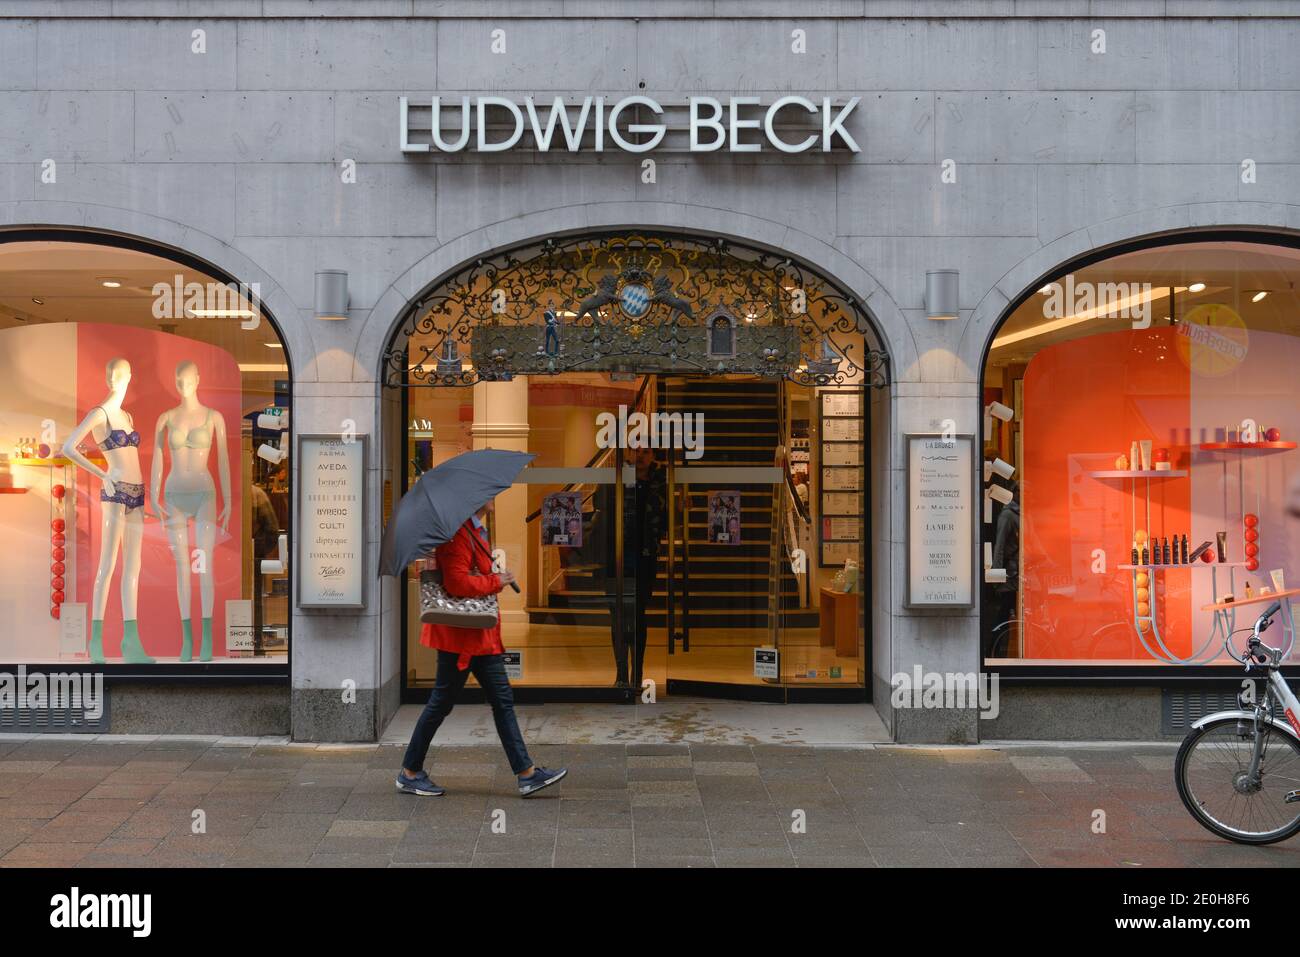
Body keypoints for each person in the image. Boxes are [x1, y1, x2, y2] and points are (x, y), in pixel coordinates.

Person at [397, 499, 567, 797]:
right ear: (475, 499)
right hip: (461, 638)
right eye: (489, 493)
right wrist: (495, 580)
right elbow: (458, 583)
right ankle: (410, 772)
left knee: (501, 701)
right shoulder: (458, 535)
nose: (495, 497)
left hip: (479, 637)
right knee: (442, 704)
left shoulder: (476, 531)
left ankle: (526, 774)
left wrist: (493, 574)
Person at [611, 447, 668, 689]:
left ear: (653, 456)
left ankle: (637, 671)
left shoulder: (661, 483)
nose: (640, 456)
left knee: (638, 613)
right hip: (617, 555)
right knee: (618, 615)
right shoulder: (618, 481)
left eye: (646, 452)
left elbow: (666, 520)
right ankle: (622, 672)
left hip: (645, 556)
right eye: (635, 451)